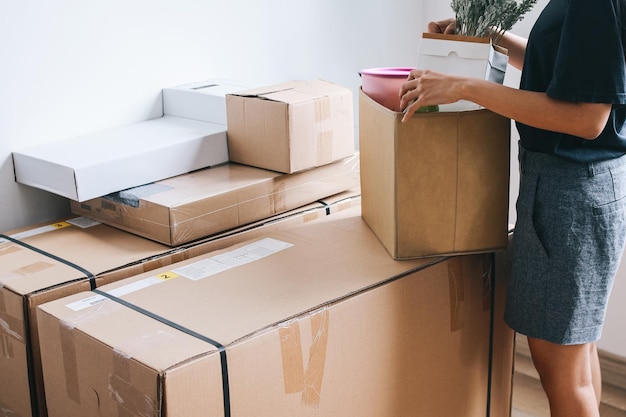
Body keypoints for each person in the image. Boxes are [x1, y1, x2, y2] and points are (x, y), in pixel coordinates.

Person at [399, 2, 626, 417]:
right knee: (576, 357)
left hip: (571, 194)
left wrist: (464, 87)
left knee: (563, 371)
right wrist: (490, 36)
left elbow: (587, 118)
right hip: (578, 186)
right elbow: (564, 73)